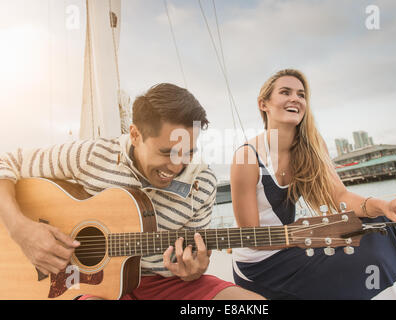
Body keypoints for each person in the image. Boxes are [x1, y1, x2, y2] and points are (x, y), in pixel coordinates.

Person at [0, 83, 264, 300]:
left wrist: (192, 270)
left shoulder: (202, 183)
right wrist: (20, 229)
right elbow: (5, 163)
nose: (177, 165)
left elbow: (192, 259)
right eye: (166, 152)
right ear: (135, 135)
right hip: (92, 288)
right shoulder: (92, 155)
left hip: (167, 286)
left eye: (188, 153)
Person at [230, 69, 396, 300]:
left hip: (298, 242)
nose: (295, 99)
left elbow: (339, 195)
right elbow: (250, 237)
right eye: (285, 92)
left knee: (380, 224)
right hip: (260, 262)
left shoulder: (311, 145)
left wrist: (385, 206)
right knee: (360, 262)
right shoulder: (247, 157)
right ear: (264, 104)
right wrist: (310, 234)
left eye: (301, 94)